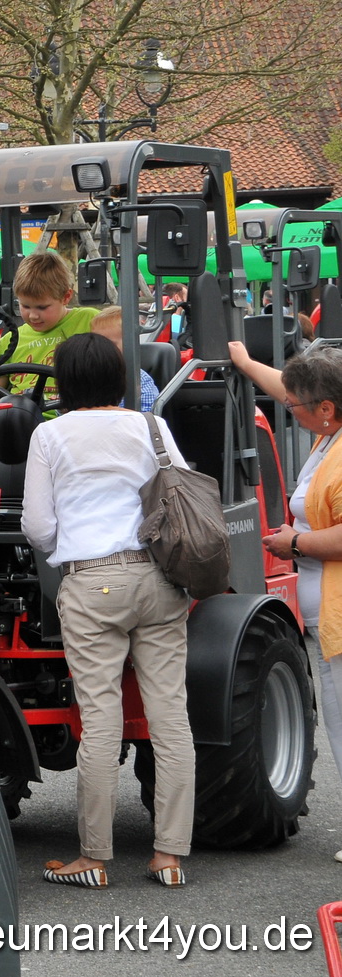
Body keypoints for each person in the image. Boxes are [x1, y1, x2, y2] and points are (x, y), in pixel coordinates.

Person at [24, 334, 194, 889]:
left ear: (65, 383)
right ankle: (169, 856)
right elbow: (180, 496)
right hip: (158, 577)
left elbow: (38, 527)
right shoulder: (151, 426)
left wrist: (66, 553)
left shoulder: (49, 434)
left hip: (92, 582)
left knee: (100, 721)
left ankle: (94, 859)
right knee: (170, 717)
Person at [231, 341, 342, 860]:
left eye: (297, 407)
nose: (289, 411)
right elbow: (288, 386)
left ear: (325, 409)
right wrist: (245, 362)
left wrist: (291, 543)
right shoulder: (328, 433)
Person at [0, 252, 97, 399]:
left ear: (66, 297)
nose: (33, 315)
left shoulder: (91, 321)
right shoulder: (10, 341)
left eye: (42, 307)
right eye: (25, 306)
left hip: (72, 415)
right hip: (19, 416)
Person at [89, 306, 159, 412]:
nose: (100, 348)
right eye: (95, 342)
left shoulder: (139, 381)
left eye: (109, 344)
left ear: (130, 344)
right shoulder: (87, 376)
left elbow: (143, 418)